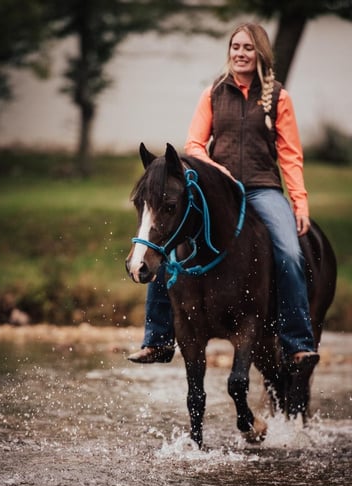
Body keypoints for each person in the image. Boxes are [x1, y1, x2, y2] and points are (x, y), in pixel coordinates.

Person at [128, 22, 318, 367]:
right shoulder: (213, 93)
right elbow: (195, 145)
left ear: (260, 52)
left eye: (247, 48)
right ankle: (156, 339)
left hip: (263, 189)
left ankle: (296, 342)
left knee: (290, 253)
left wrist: (299, 202)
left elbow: (290, 154)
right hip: (219, 192)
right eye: (235, 47)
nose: (240, 54)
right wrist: (220, 172)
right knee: (165, 242)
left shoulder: (279, 97)